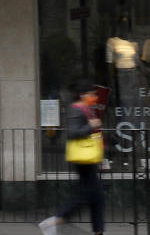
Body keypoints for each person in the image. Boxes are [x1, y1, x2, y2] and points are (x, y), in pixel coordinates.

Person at [39, 80, 105, 235]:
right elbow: (73, 133)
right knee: (86, 196)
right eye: (92, 94)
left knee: (97, 197)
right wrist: (92, 126)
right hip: (83, 159)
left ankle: (99, 231)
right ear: (83, 95)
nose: (94, 97)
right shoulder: (77, 110)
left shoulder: (85, 109)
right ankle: (55, 220)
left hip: (89, 158)